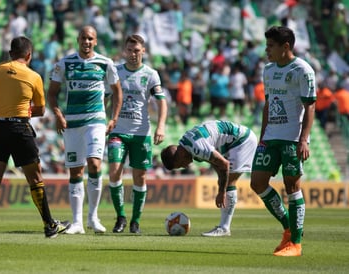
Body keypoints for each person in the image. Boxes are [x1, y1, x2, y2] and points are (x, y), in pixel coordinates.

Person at [0, 36, 70, 239]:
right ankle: (49, 225)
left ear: (10, 53)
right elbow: (40, 110)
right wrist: (22, 109)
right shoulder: (34, 76)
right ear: (29, 55)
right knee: (35, 179)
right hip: (20, 128)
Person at [47, 25, 123, 234]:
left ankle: (93, 217)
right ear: (78, 40)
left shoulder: (105, 63)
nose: (86, 42)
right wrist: (58, 114)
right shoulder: (65, 63)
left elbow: (117, 91)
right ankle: (77, 222)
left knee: (95, 164)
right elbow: (52, 93)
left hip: (96, 121)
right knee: (75, 171)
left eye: (90, 38)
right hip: (72, 123)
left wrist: (114, 118)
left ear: (95, 41)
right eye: (83, 38)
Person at [250, 26, 316, 257]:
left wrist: (303, 140)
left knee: (292, 188)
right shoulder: (268, 70)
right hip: (270, 137)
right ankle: (289, 227)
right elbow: (268, 104)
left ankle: (295, 244)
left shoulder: (303, 70)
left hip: (291, 138)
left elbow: (310, 106)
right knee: (257, 183)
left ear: (285, 47)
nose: (266, 50)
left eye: (270, 46)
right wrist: (262, 137)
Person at [108, 34, 167, 234]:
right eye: (130, 50)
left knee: (140, 177)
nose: (133, 54)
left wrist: (161, 126)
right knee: (115, 171)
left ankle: (135, 221)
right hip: (118, 131)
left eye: (137, 50)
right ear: (125, 51)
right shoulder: (115, 72)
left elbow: (161, 101)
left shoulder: (151, 74)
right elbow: (106, 98)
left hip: (141, 133)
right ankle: (120, 218)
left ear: (143, 51)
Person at [161, 120, 257, 237]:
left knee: (229, 183)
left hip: (242, 140)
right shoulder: (187, 145)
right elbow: (215, 162)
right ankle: (224, 226)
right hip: (231, 142)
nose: (185, 166)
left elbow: (224, 164)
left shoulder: (197, 148)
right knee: (223, 180)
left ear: (179, 155)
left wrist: (221, 192)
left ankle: (224, 228)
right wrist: (220, 180)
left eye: (181, 164)